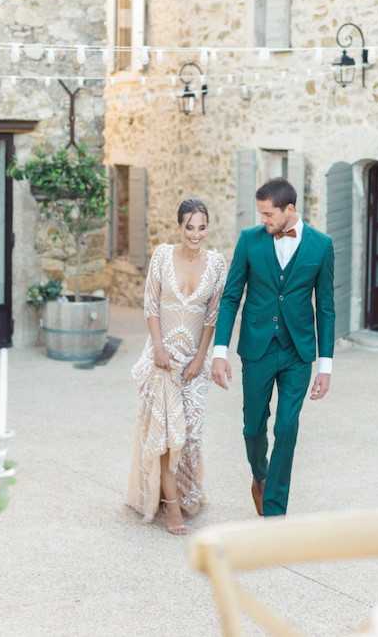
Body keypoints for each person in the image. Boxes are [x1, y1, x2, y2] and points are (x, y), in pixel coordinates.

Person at [211, 177, 335, 518]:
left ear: (290, 209)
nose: (264, 221)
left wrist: (325, 366)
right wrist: (219, 351)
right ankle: (260, 476)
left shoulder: (321, 246)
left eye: (269, 214)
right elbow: (231, 296)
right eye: (261, 214)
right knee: (253, 426)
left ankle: (274, 510)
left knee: (286, 427)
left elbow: (325, 307)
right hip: (257, 348)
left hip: (298, 351)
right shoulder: (249, 241)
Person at [127, 198, 226, 535]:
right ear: (179, 226)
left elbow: (212, 315)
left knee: (190, 437)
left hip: (194, 363)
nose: (195, 234)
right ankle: (171, 510)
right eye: (189, 227)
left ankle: (183, 493)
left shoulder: (216, 263)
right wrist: (157, 348)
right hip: (163, 359)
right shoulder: (162, 256)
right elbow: (151, 304)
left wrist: (201, 358)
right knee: (168, 437)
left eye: (201, 227)